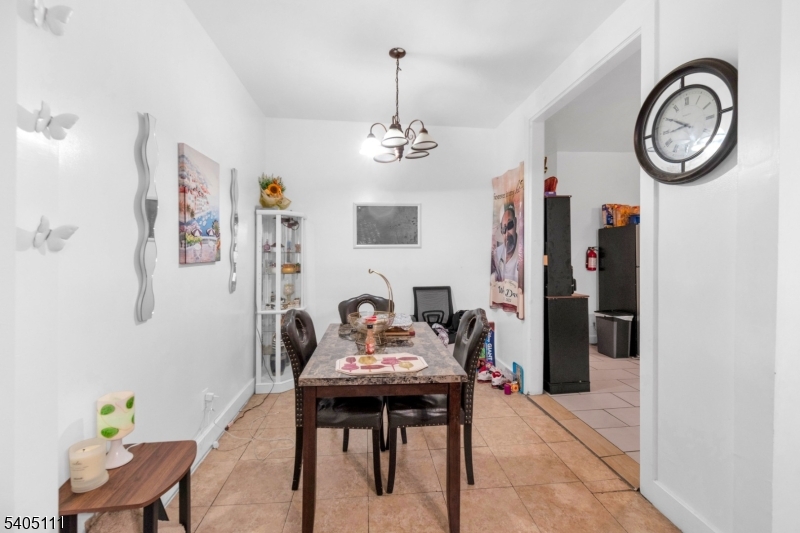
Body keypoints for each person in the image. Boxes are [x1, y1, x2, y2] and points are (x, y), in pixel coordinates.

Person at [493, 203, 519, 284]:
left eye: (510, 225)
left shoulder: (524, 253)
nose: (507, 234)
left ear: (516, 223)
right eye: (504, 229)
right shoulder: (497, 254)